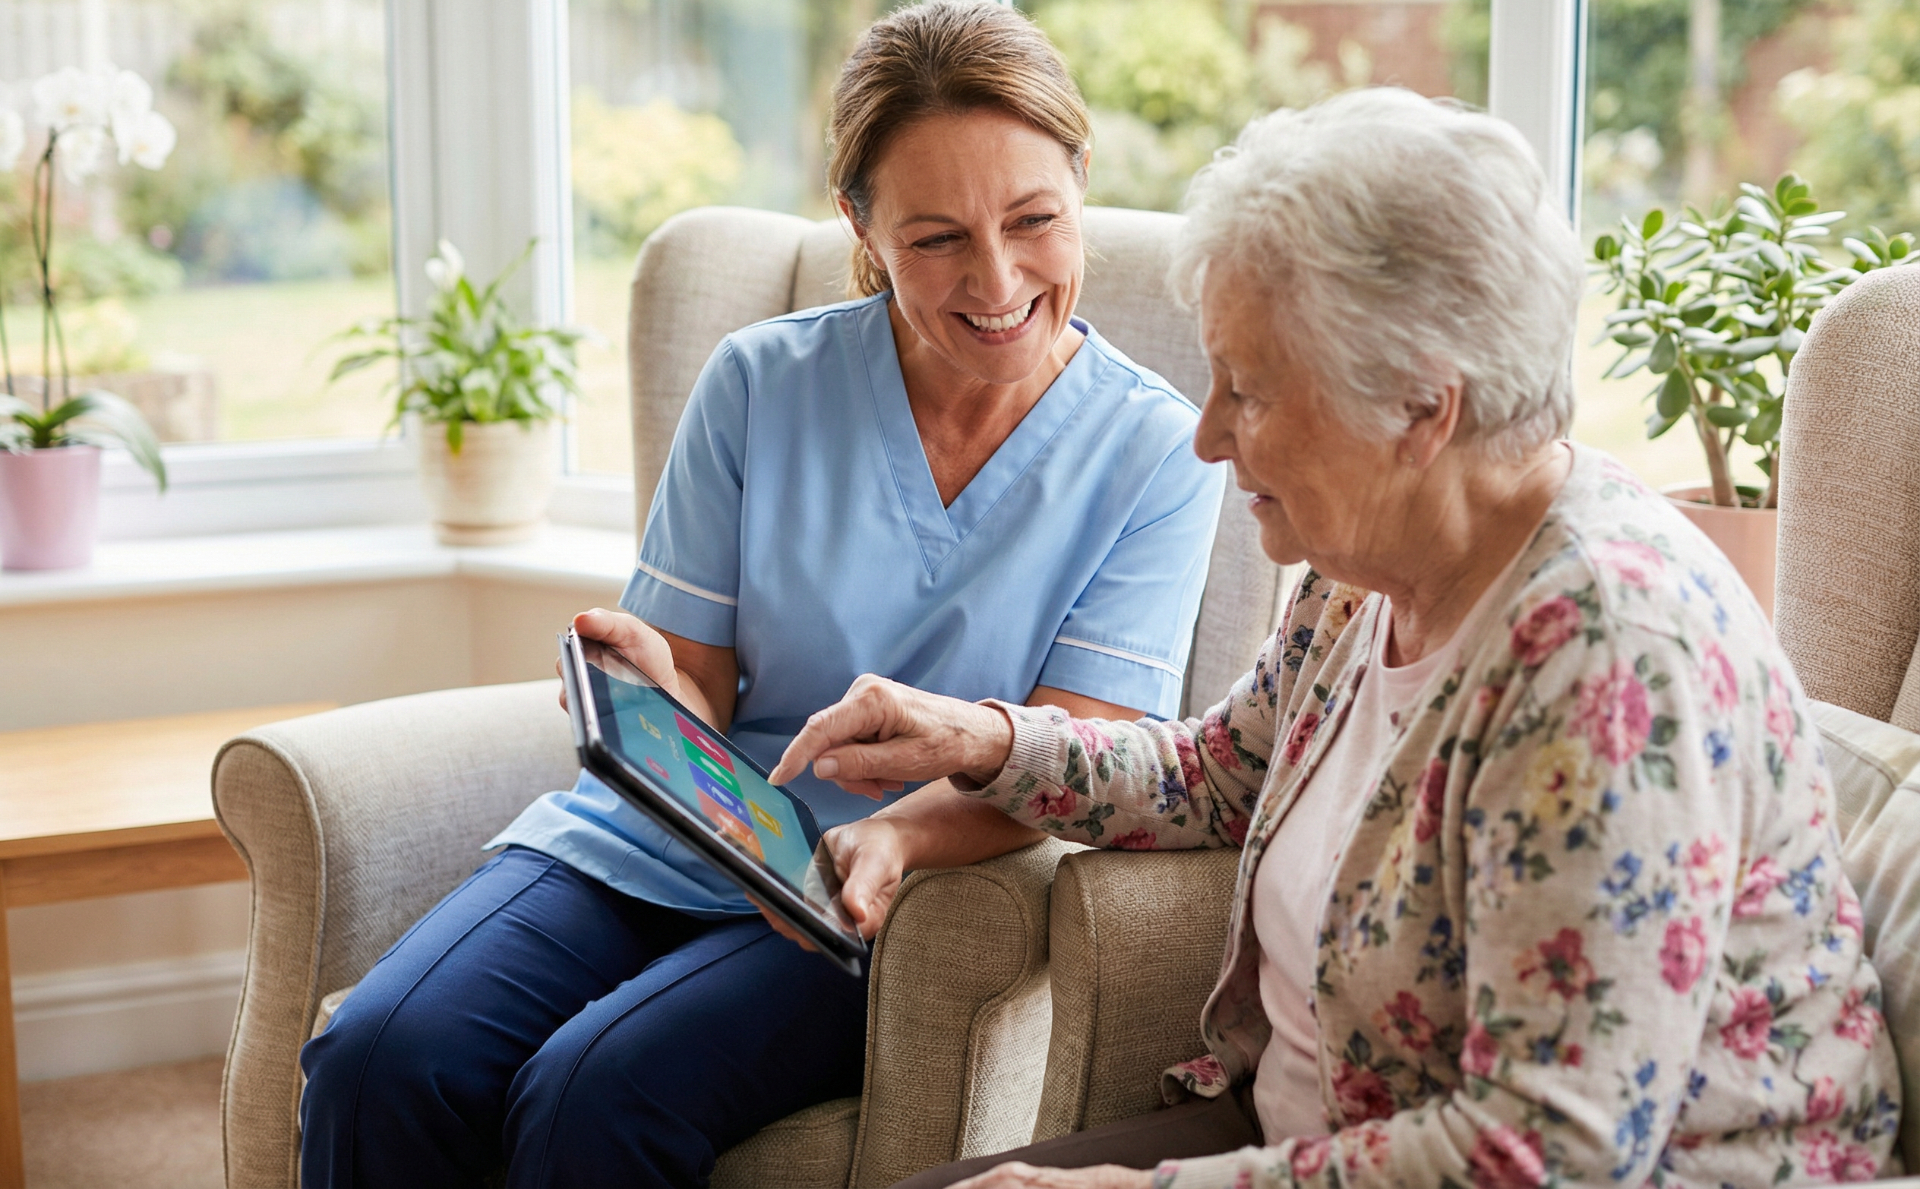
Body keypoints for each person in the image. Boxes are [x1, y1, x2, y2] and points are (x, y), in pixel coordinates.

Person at [772, 87, 1902, 1189]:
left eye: (1249, 392)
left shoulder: (1606, 663)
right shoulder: (1366, 573)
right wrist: (974, 735)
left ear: (1422, 406)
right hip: (1309, 1136)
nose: (1208, 436)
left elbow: (1546, 1156)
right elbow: (1213, 776)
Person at [297, 0, 1226, 1188]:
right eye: (937, 237)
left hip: (877, 882)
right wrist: (650, 674)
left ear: (1080, 182)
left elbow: (1079, 751)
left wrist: (890, 833)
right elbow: (700, 676)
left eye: (1035, 219)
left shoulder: (1156, 451)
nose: (996, 279)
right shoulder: (760, 381)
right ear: (862, 221)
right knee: (382, 1054)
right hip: (673, 830)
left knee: (593, 1095)